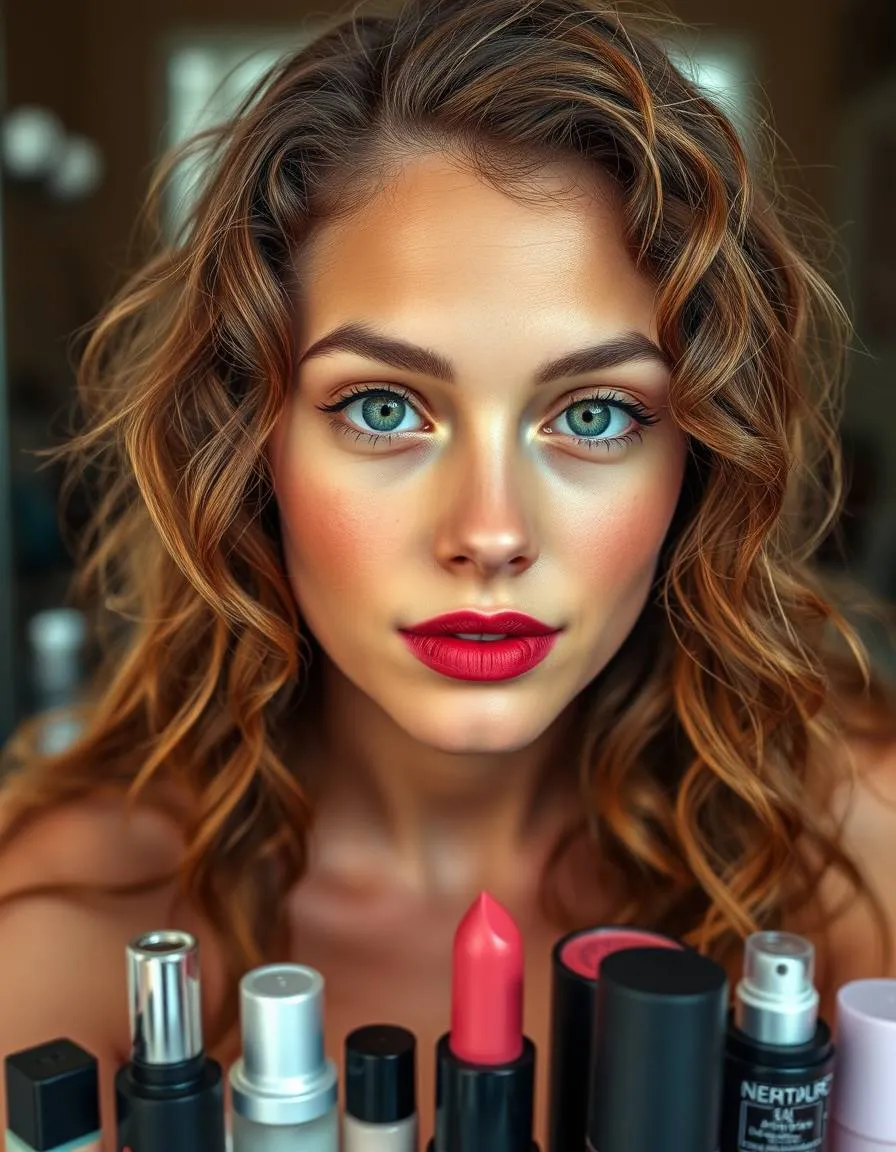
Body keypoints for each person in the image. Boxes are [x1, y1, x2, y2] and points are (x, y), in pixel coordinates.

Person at [2, 0, 896, 1145]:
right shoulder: (71, 918)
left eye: (593, 412)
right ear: (249, 441)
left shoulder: (860, 842)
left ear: (701, 459)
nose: (488, 531)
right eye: (384, 408)